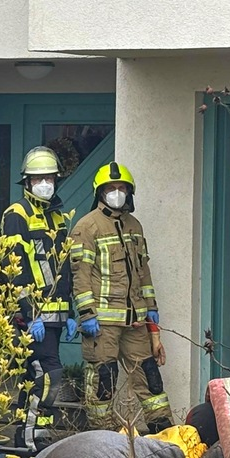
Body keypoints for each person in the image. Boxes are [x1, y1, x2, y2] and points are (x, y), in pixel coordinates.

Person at [69, 162, 170, 431]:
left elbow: (143, 271)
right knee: (103, 381)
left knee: (150, 378)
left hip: (135, 321)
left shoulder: (134, 226)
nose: (116, 193)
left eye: (121, 188)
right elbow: (80, 274)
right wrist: (87, 314)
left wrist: (151, 308)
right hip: (102, 324)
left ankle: (164, 431)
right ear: (100, 193)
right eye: (111, 188)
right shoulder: (86, 227)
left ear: (129, 192)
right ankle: (104, 436)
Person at [0, 146, 75, 445]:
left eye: (49, 178)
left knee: (35, 377)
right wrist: (29, 314)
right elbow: (14, 268)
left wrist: (70, 312)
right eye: (38, 179)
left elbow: (63, 267)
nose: (45, 184)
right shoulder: (16, 215)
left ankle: (29, 438)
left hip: (54, 317)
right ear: (27, 182)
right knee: (48, 374)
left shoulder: (57, 217)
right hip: (33, 318)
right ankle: (31, 437)